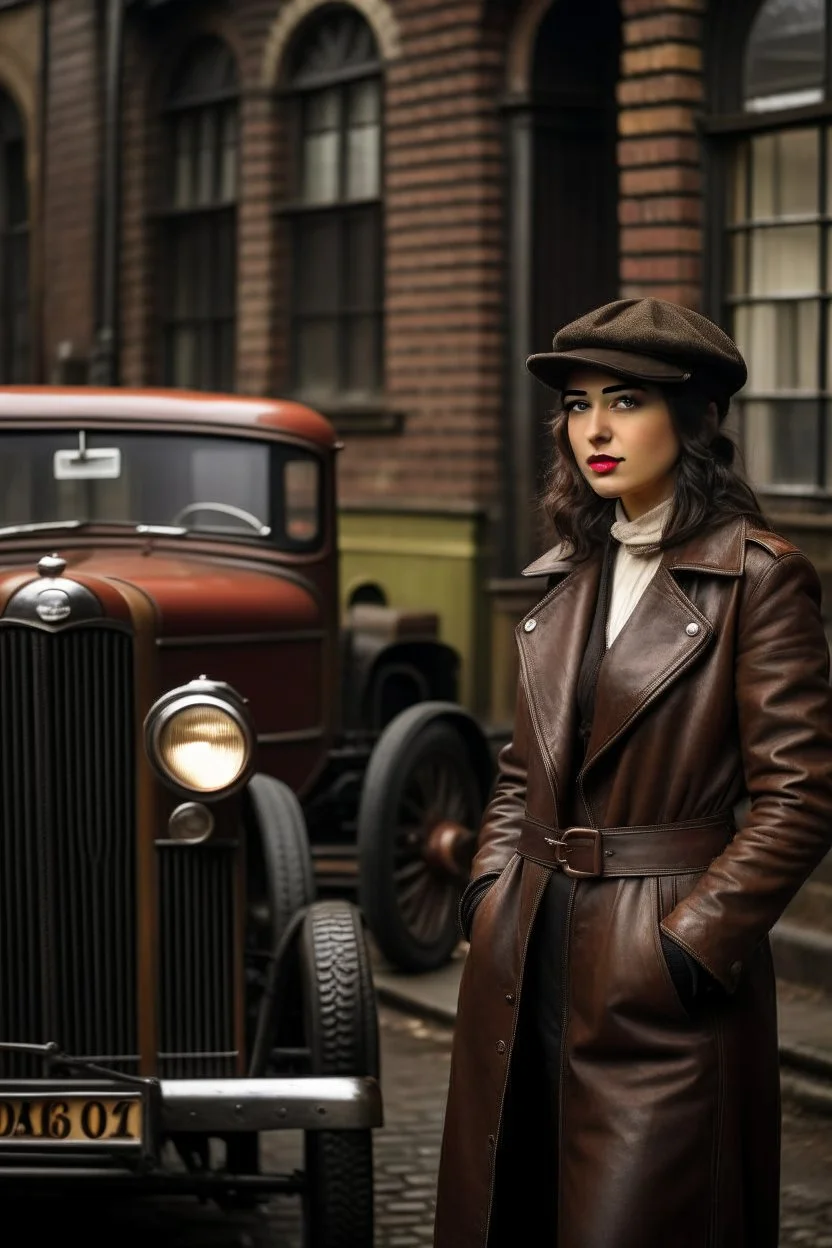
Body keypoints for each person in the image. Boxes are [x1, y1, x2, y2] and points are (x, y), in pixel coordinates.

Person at [433, 298, 832, 1248]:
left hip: (656, 966)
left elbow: (801, 796)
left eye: (625, 401)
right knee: (510, 1209)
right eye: (576, 406)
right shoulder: (568, 573)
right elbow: (521, 773)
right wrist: (488, 896)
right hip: (522, 953)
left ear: (692, 420)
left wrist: (687, 948)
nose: (594, 431)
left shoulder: (761, 579)